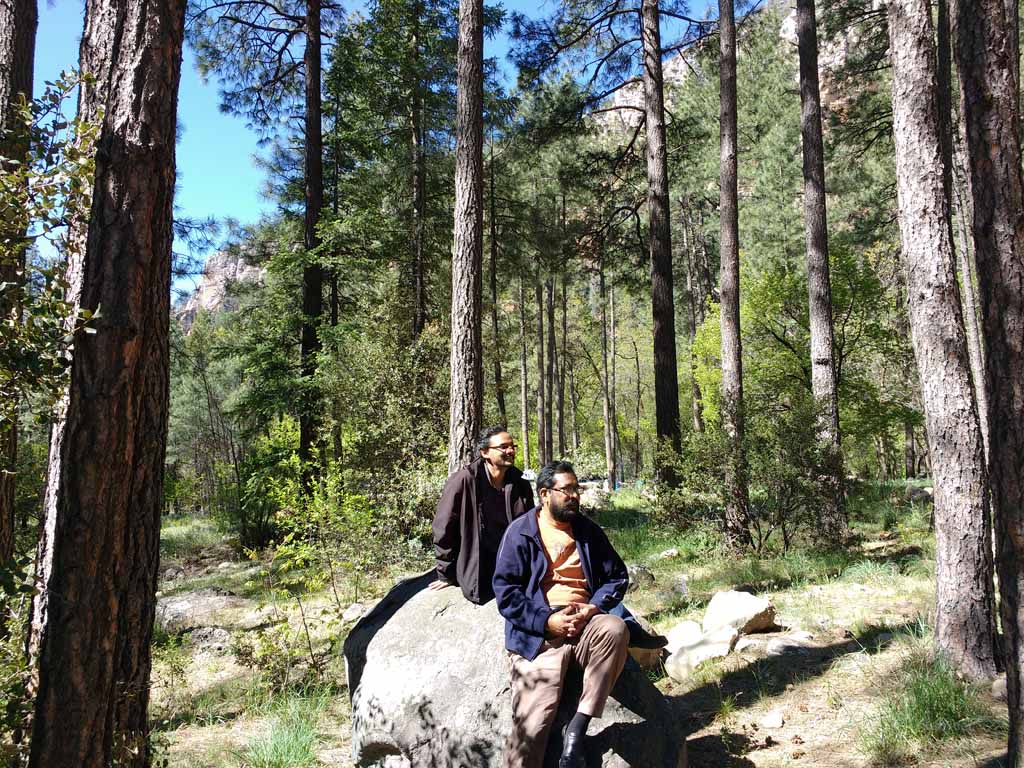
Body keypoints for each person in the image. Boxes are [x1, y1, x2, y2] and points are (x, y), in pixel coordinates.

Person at [493, 461, 630, 768]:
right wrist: (546, 622)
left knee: (615, 629)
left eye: (576, 489)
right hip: (539, 637)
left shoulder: (587, 531)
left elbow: (617, 576)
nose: (574, 496)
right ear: (545, 494)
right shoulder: (521, 533)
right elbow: (506, 594)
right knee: (531, 729)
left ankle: (577, 729)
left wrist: (594, 607)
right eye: (566, 490)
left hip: (585, 624)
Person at [430, 426, 535, 604]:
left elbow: (530, 525)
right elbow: (443, 528)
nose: (510, 451)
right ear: (485, 452)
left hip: (513, 564)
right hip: (478, 565)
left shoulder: (519, 482)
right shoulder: (465, 480)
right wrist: (446, 572)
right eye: (503, 447)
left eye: (512, 446)